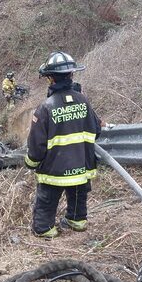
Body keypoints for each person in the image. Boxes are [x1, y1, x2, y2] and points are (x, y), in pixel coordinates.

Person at [24, 51, 101, 238]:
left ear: (50, 78)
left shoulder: (45, 107)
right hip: (81, 167)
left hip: (54, 171)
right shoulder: (83, 101)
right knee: (78, 195)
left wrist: (31, 162)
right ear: (71, 74)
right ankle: (77, 220)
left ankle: (45, 230)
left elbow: (37, 144)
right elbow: (96, 130)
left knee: (47, 200)